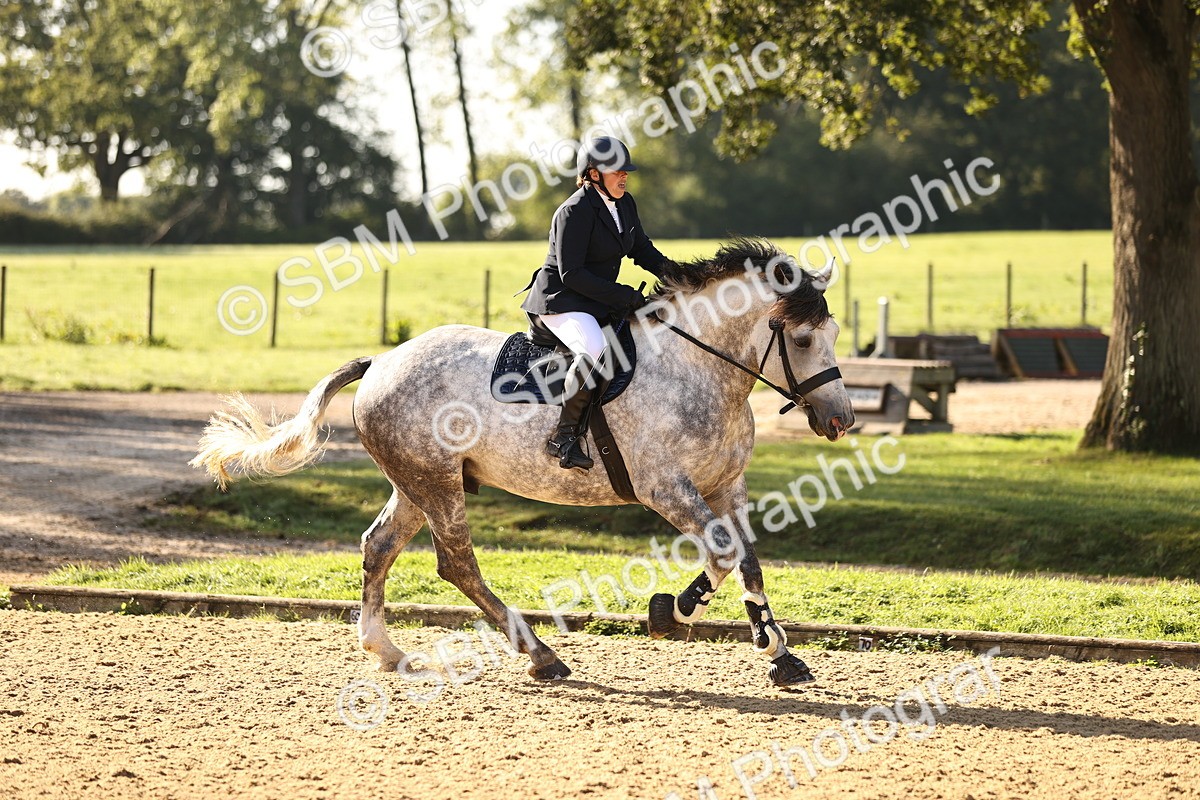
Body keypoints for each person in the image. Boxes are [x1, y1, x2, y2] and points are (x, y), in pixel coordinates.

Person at [519, 136, 673, 471]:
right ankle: (565, 435)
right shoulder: (574, 211)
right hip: (562, 302)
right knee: (594, 347)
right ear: (592, 174)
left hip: (595, 300)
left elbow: (642, 249)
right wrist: (623, 295)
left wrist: (681, 276)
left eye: (625, 171)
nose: (624, 176)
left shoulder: (624, 205)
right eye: (616, 171)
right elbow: (572, 274)